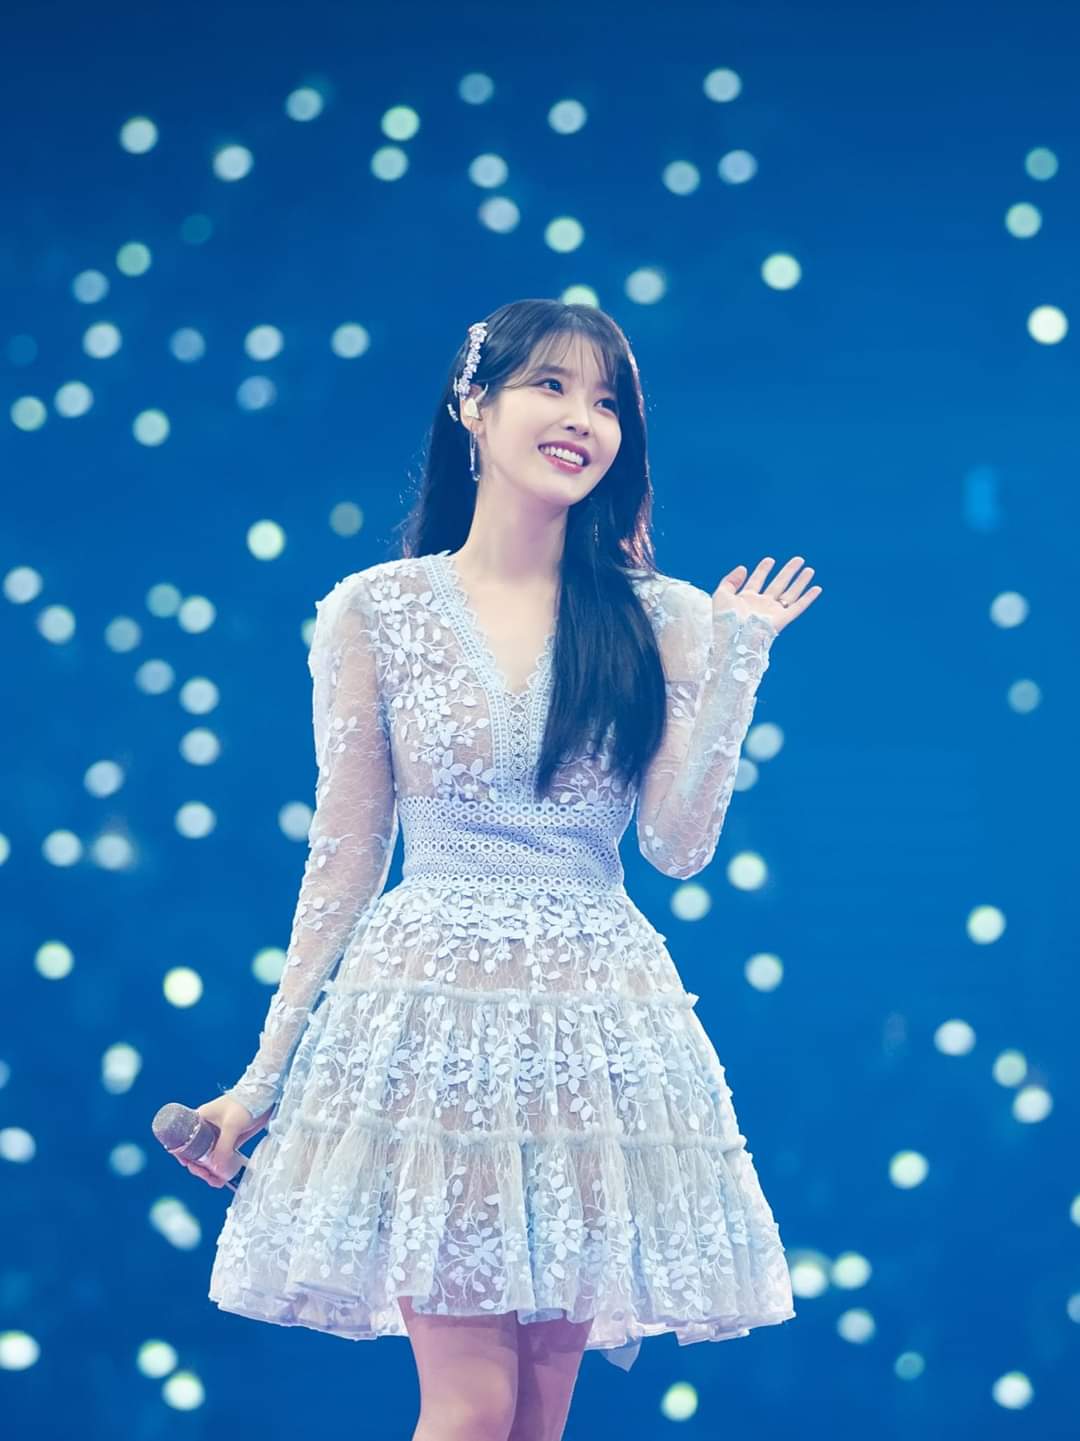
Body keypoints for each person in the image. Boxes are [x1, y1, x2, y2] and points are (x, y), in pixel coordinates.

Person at [176, 298, 820, 1441]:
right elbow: (345, 858)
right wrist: (261, 1083)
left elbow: (676, 847)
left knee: (534, 1418)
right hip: (441, 1023)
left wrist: (737, 665)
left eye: (607, 401)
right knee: (471, 1407)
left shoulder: (660, 617)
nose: (583, 419)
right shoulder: (376, 611)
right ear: (473, 405)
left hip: (593, 1028)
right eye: (552, 387)